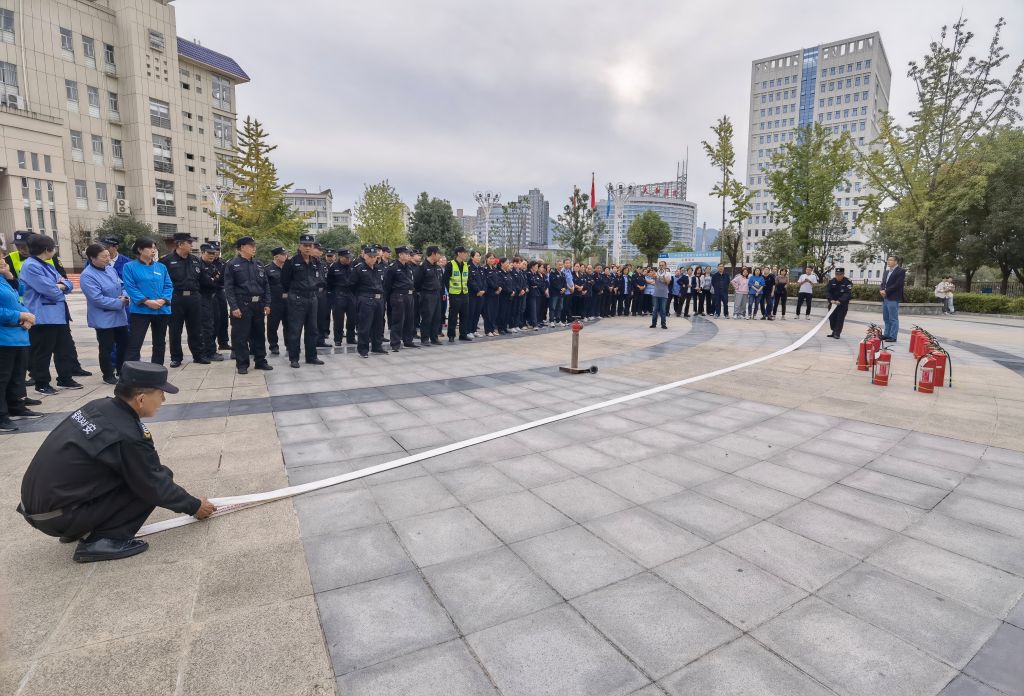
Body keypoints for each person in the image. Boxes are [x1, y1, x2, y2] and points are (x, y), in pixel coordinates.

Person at [17, 362, 216, 563]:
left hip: (38, 509)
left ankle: (80, 527)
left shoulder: (97, 406)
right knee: (153, 479)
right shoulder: (128, 434)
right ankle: (103, 541)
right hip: (58, 516)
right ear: (141, 399)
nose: (163, 400)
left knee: (132, 472)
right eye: (160, 394)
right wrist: (195, 506)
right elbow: (155, 483)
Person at [19, 234, 81, 394]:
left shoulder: (47, 265)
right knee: (43, 352)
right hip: (43, 316)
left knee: (64, 349)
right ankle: (42, 383)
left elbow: (67, 282)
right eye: (53, 248)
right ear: (47, 249)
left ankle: (65, 378)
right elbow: (50, 291)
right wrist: (59, 287)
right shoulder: (31, 266)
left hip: (58, 315)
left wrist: (61, 285)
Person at [0, 256, 40, 432]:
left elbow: (18, 300)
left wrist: (27, 317)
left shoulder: (4, 279)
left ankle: (16, 407)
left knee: (17, 375)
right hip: (4, 338)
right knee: (3, 378)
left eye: (2, 256)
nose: (2, 260)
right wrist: (20, 316)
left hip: (18, 335)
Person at [80, 243, 130, 385]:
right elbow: (96, 298)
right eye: (103, 257)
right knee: (106, 347)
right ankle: (108, 374)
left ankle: (121, 370)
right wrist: (119, 303)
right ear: (92, 258)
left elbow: (122, 285)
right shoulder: (87, 275)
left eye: (108, 255)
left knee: (124, 343)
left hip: (119, 315)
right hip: (103, 317)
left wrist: (126, 296)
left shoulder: (110, 269)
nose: (107, 259)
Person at [223, 236, 273, 375]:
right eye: (251, 246)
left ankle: (260, 361)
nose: (254, 248)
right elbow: (229, 288)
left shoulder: (259, 264)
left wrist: (267, 303)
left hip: (258, 304)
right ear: (242, 247)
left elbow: (266, 286)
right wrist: (234, 307)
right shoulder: (232, 264)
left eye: (254, 245)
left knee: (259, 334)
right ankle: (242, 364)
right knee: (241, 336)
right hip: (242, 304)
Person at [160, 232, 208, 368]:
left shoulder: (195, 260)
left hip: (194, 297)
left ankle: (198, 355)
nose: (192, 245)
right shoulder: (166, 261)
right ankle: (176, 357)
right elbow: (161, 281)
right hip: (176, 298)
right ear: (180, 244)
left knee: (196, 328)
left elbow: (203, 279)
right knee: (175, 329)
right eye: (189, 242)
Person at [122, 238, 173, 365]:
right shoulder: (129, 267)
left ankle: (157, 370)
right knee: (135, 342)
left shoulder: (161, 267)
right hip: (141, 311)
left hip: (161, 310)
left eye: (154, 248)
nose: (153, 250)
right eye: (150, 248)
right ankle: (130, 372)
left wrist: (163, 300)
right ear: (140, 250)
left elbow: (168, 286)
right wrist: (147, 301)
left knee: (159, 343)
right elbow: (130, 287)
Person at [280, 234, 324, 369]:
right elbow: (284, 281)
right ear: (300, 246)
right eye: (305, 245)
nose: (308, 248)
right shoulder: (292, 261)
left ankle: (311, 356)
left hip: (312, 298)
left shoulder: (316, 262)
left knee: (312, 330)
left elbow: (319, 279)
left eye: (310, 245)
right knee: (295, 330)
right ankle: (294, 358)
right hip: (297, 299)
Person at [351, 245, 388, 358]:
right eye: (370, 256)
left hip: (379, 299)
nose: (373, 258)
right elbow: (352, 285)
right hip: (366, 299)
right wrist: (360, 298)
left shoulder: (379, 268)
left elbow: (384, 284)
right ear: (365, 256)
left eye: (374, 256)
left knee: (378, 324)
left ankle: (377, 346)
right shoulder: (359, 268)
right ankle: (363, 349)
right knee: (365, 325)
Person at [383, 246, 417, 351]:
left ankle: (408, 341)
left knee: (409, 320)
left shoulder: (408, 266)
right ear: (400, 255)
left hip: (409, 295)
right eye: (406, 253)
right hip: (398, 296)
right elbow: (387, 284)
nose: (408, 255)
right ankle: (395, 343)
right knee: (398, 320)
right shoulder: (393, 267)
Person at [197, 244, 225, 362]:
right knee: (206, 326)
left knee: (216, 323)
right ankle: (208, 352)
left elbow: (219, 281)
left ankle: (211, 349)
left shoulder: (213, 266)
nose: (212, 255)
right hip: (202, 298)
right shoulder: (198, 265)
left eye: (213, 253)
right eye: (209, 253)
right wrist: (213, 279)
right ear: (202, 252)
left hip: (213, 297)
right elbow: (207, 282)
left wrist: (213, 279)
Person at [416, 246, 444, 345]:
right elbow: (417, 282)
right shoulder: (423, 266)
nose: (440, 256)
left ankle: (434, 338)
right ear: (433, 254)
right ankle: (425, 338)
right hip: (427, 294)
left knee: (437, 317)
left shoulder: (436, 266)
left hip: (436, 294)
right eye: (438, 254)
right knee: (427, 317)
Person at [443, 246, 472, 342]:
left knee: (464, 315)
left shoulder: (466, 265)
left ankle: (463, 334)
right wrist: (450, 290)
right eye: (465, 252)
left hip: (465, 294)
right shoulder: (450, 264)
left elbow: (468, 279)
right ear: (459, 253)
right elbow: (445, 279)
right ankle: (451, 335)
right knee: (453, 316)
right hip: (454, 294)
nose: (466, 254)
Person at [265, 246, 289, 354]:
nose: (285, 256)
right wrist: (267, 303)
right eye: (283, 255)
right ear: (276, 256)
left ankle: (289, 345)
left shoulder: (288, 268)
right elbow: (265, 287)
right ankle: (273, 346)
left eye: (286, 254)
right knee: (272, 325)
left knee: (289, 325)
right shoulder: (267, 269)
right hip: (274, 302)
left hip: (288, 301)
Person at [880, 255, 905, 341]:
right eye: (888, 260)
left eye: (890, 260)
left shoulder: (900, 271)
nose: (888, 261)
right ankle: (886, 334)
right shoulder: (886, 272)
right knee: (886, 318)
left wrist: (886, 291)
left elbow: (898, 284)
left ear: (896, 262)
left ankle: (893, 336)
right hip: (885, 297)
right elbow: (883, 283)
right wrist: (881, 290)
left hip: (893, 297)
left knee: (893, 318)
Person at [826, 268, 853, 339]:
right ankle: (834, 331)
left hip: (842, 304)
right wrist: (830, 299)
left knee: (840, 319)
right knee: (831, 318)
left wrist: (840, 300)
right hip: (832, 304)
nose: (838, 276)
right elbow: (828, 291)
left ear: (843, 274)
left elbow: (848, 293)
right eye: (836, 274)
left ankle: (837, 333)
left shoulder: (847, 282)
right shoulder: (831, 281)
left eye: (840, 274)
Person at [649, 263, 670, 329]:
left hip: (664, 294)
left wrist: (662, 277)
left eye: (662, 265)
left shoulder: (668, 273)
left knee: (663, 310)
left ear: (665, 266)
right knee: (655, 310)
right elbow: (652, 277)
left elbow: (667, 282)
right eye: (660, 265)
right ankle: (653, 324)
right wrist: (654, 275)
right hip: (656, 294)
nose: (661, 266)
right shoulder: (656, 273)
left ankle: (663, 324)